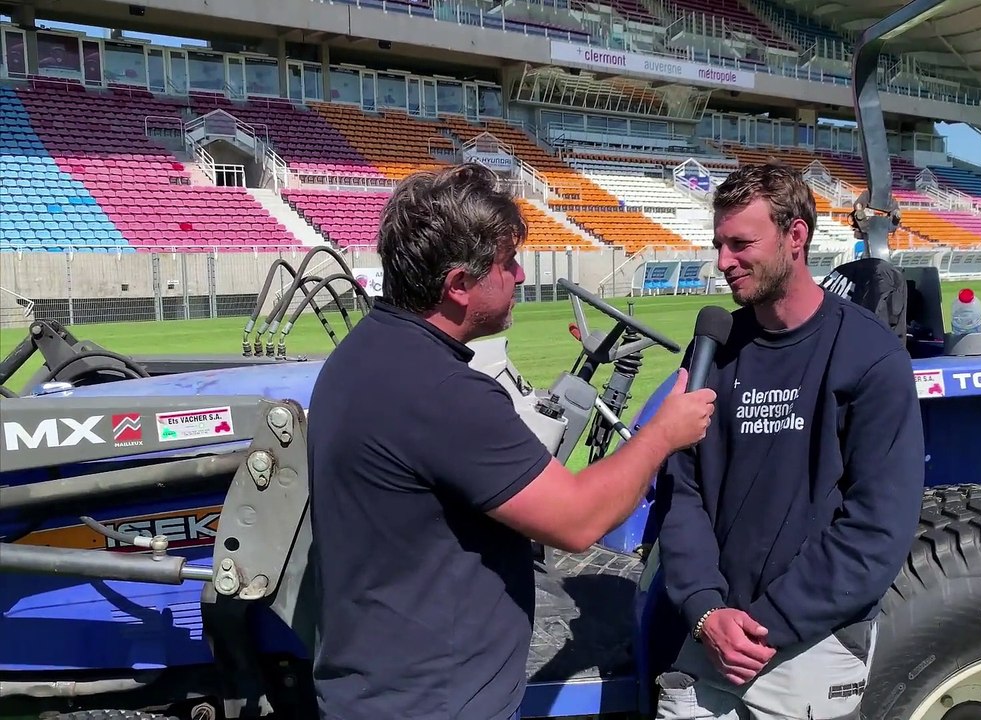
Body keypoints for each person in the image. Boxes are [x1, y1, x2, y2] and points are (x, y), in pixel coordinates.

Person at [304, 163, 718, 720]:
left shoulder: (363, 354)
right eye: (506, 264)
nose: (520, 276)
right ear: (457, 285)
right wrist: (660, 435)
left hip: (378, 684)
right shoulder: (444, 392)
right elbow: (577, 521)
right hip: (436, 703)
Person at [651, 162, 926, 719]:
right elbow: (682, 492)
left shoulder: (869, 357)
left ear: (795, 237)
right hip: (713, 639)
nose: (723, 262)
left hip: (810, 645)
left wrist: (765, 624)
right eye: (718, 244)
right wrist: (706, 611)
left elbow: (877, 527)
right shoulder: (715, 350)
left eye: (740, 243)